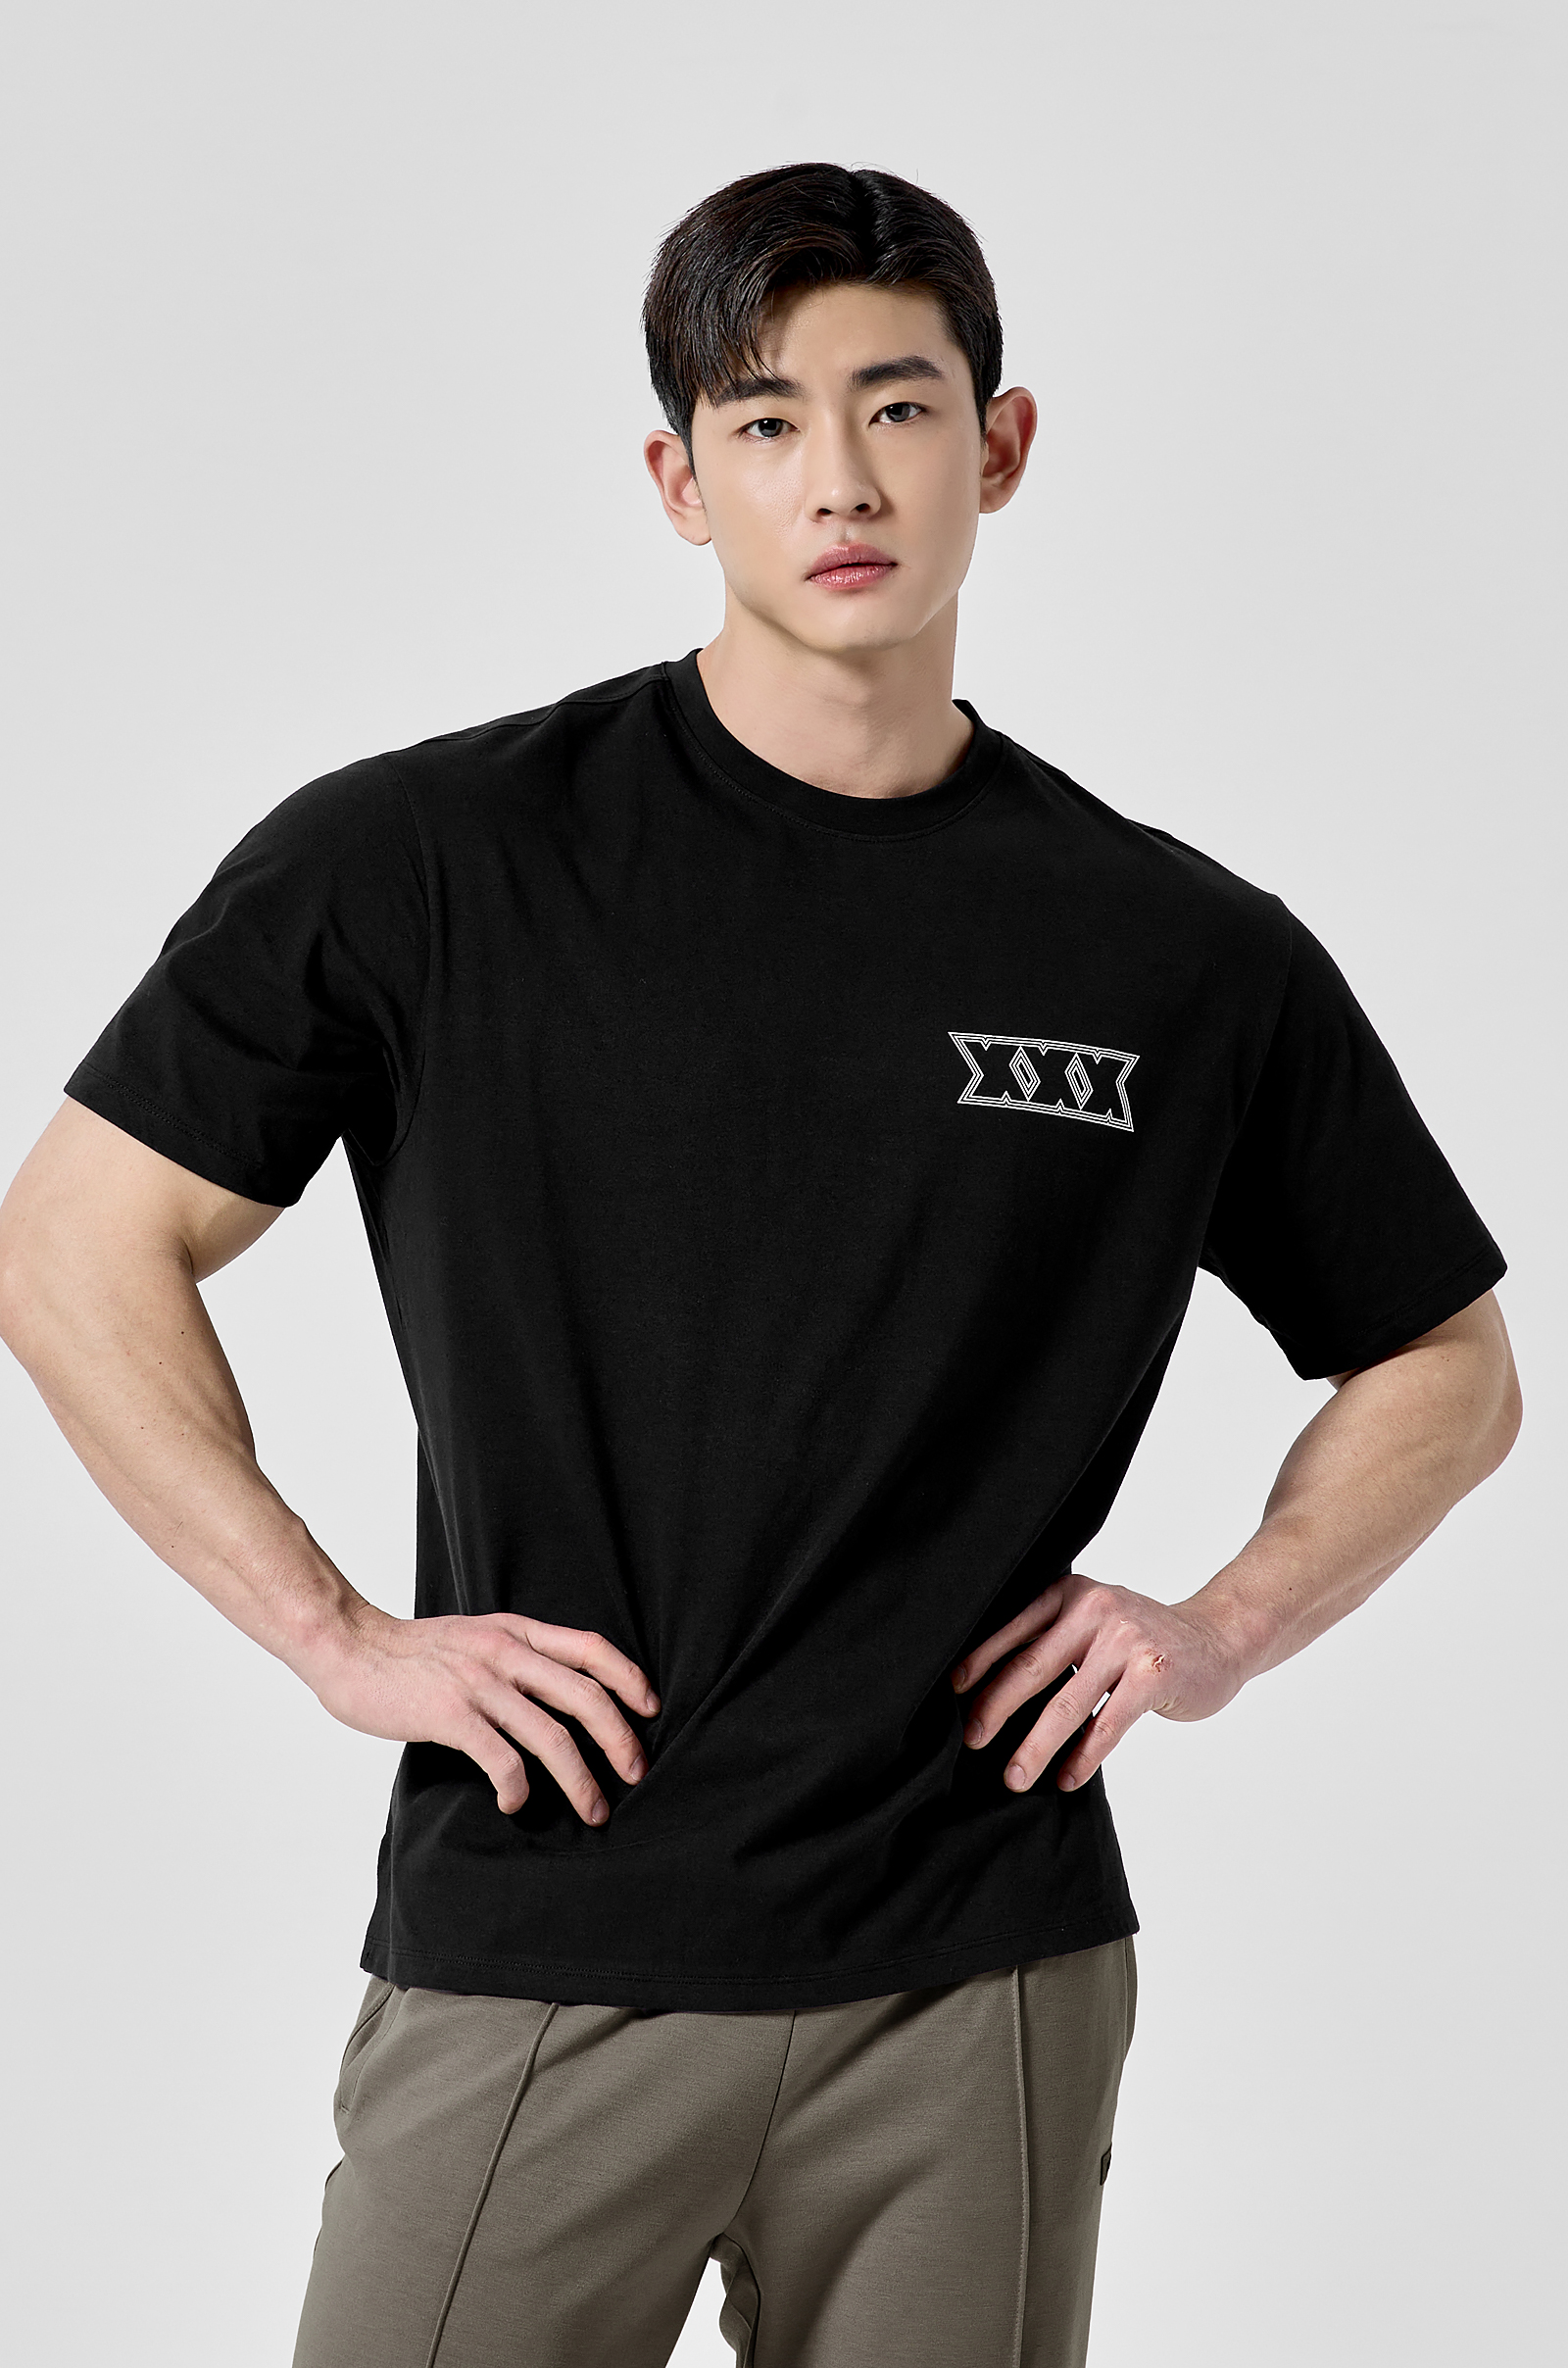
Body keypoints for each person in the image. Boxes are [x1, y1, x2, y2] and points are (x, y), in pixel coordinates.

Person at [0, 161, 1520, 2368]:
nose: (841, 479)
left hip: (977, 1970)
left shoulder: (1179, 951)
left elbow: (1445, 1361)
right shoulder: (428, 863)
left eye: (898, 407)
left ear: (999, 445)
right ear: (677, 478)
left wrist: (1218, 1624)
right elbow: (76, 1235)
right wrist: (333, 1635)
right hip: (547, 1935)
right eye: (765, 418)